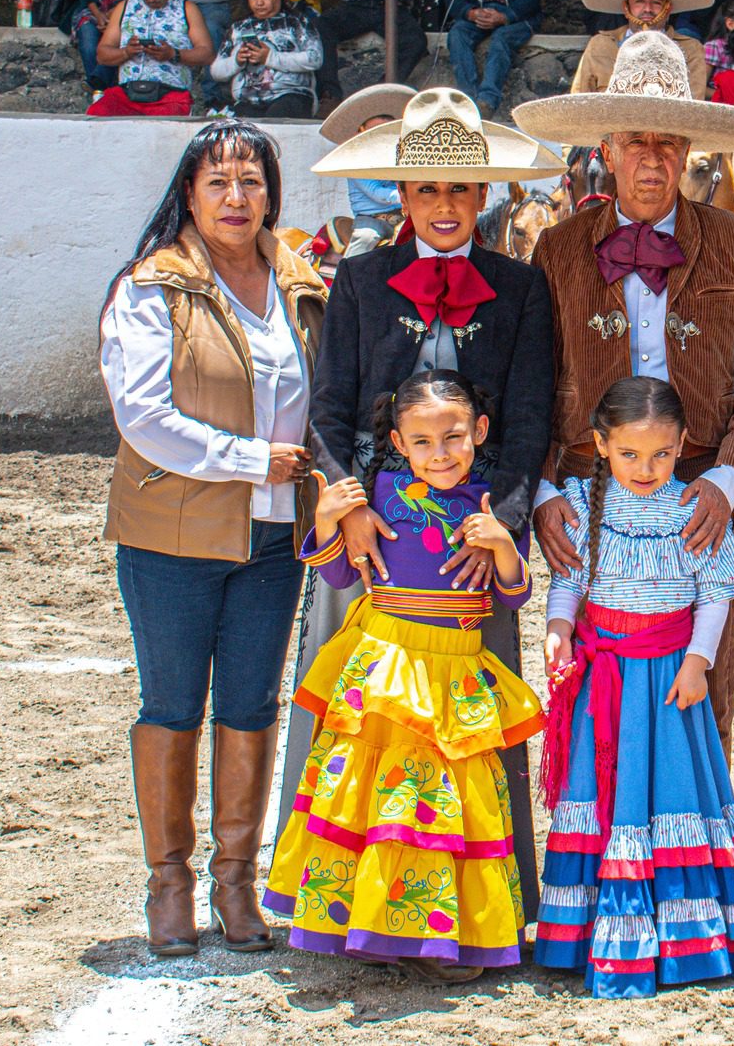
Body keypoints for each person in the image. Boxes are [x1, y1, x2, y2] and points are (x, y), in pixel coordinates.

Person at [295, 87, 563, 906]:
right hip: (376, 538)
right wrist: (350, 509)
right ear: (402, 195)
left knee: (473, 728)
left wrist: (499, 528)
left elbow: (528, 418)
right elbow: (330, 406)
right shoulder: (362, 280)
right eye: (425, 189)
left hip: (473, 549)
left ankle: (483, 900)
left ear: (484, 195)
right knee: (358, 722)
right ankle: (343, 898)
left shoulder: (520, 288)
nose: (444, 206)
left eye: (459, 188)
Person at [516, 29, 734, 752]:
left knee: (703, 692)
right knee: (596, 696)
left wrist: (727, 483)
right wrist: (544, 498)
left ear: (691, 150)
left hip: (697, 493)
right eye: (636, 139)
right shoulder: (559, 248)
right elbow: (532, 386)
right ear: (605, 148)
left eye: (670, 140)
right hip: (589, 501)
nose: (653, 157)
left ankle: (695, 857)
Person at [98, 119, 327, 957]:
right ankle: (170, 880)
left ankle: (237, 879)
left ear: (273, 193)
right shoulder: (151, 286)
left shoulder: (303, 283)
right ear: (189, 195)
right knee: (171, 706)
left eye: (253, 182)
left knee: (249, 707)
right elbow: (145, 418)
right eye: (219, 181)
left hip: (274, 539)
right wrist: (250, 459)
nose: (238, 198)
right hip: (172, 535)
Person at [264, 370, 545, 978]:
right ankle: (368, 927)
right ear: (397, 441)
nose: (439, 454)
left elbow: (515, 596)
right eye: (421, 442)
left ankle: (442, 939)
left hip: (457, 674)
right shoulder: (378, 494)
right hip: (386, 670)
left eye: (453, 437)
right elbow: (340, 578)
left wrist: (501, 545)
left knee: (446, 810)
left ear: (481, 432)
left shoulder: (492, 504)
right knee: (378, 804)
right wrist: (326, 521)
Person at [532, 376, 734, 997]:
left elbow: (716, 592)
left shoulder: (695, 509)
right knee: (603, 797)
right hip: (601, 681)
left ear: (683, 444)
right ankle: (584, 935)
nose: (646, 467)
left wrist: (698, 663)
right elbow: (567, 583)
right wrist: (560, 629)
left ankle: (682, 936)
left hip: (669, 681)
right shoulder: (582, 506)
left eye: (662, 454)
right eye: (630, 453)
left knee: (671, 795)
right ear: (600, 444)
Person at [89, 0, 216, 118]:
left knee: (170, 123)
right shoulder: (124, 7)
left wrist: (173, 54)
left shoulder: (187, 9)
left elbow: (207, 53)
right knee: (97, 113)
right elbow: (102, 54)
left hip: (170, 93)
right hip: (129, 91)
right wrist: (126, 52)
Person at [570, 0, 713, 97]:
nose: (648, 9)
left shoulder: (690, 49)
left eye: (656, 2)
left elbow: (693, 106)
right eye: (639, 1)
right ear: (626, 7)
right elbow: (580, 98)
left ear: (668, 8)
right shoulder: (600, 44)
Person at [315, 83, 416, 256]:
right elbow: (376, 192)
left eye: (386, 131)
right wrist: (413, 194)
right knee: (366, 238)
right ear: (362, 131)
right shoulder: (355, 159)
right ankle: (346, 274)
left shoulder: (401, 156)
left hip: (402, 214)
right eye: (375, 131)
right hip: (371, 219)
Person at [210, 0, 322, 120]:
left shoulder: (297, 22)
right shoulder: (238, 28)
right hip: (247, 99)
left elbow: (315, 58)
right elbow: (216, 71)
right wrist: (237, 60)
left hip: (291, 94)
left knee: (275, 119)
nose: (259, 2)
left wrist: (270, 57)